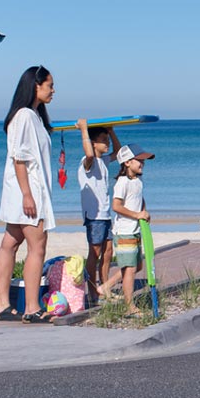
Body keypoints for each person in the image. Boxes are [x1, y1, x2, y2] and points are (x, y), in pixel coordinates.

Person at [0, 66, 58, 323]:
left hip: (21, 192)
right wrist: (28, 195)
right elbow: (19, 158)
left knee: (10, 244)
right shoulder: (25, 116)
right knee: (37, 247)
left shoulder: (33, 116)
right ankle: (31, 307)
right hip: (27, 193)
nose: (53, 91)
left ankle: (2, 304)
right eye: (50, 85)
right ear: (36, 85)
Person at [106, 143, 155, 316]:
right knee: (130, 269)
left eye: (143, 161)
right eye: (139, 160)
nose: (142, 163)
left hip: (135, 229)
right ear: (127, 162)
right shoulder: (122, 182)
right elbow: (116, 206)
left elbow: (139, 199)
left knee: (137, 265)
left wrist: (144, 212)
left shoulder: (137, 181)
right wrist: (136, 215)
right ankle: (129, 306)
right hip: (124, 231)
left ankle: (106, 286)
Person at [75, 119, 121, 303]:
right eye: (103, 139)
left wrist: (111, 131)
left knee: (108, 251)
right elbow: (89, 154)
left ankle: (105, 287)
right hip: (94, 216)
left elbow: (118, 153)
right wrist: (84, 130)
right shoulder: (88, 162)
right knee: (94, 253)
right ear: (93, 142)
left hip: (105, 214)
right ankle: (92, 292)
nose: (107, 142)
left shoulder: (103, 161)